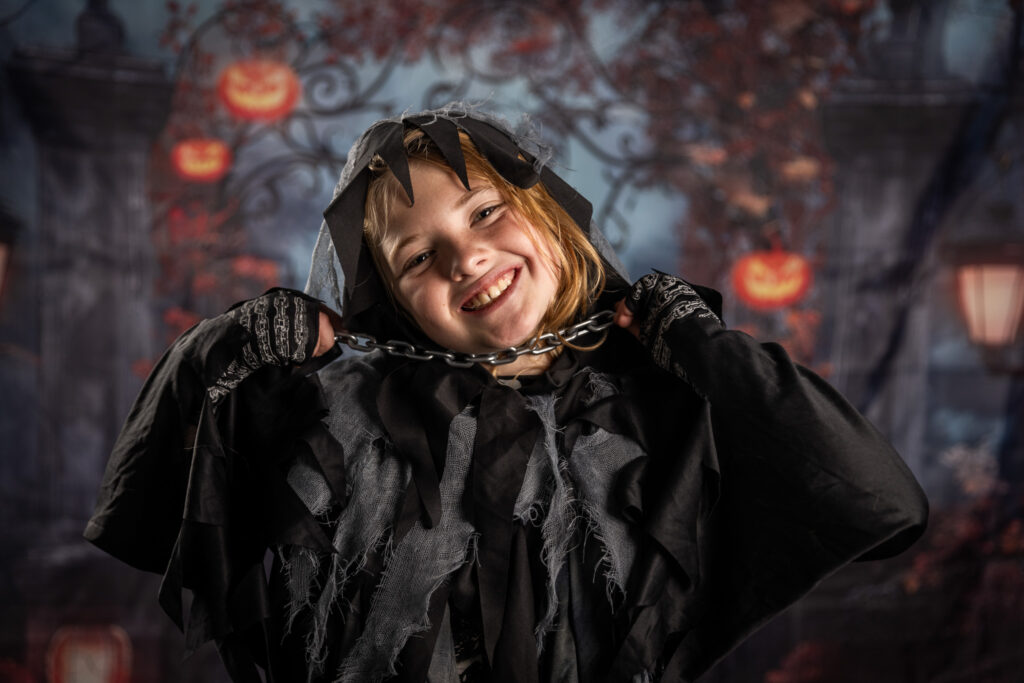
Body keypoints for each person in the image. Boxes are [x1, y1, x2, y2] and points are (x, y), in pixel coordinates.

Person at [85, 107, 928, 683]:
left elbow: (873, 496)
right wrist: (221, 350)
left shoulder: (665, 404)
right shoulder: (332, 410)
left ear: (548, 214)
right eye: (419, 257)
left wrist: (703, 346)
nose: (466, 258)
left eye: (486, 212)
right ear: (393, 298)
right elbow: (140, 510)